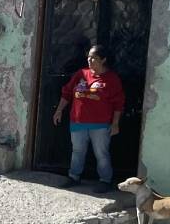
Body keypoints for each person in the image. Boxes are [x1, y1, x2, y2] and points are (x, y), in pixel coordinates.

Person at [52, 44, 125, 193]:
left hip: (100, 124)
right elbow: (67, 93)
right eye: (89, 57)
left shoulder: (111, 79)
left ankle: (105, 180)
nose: (90, 60)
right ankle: (74, 176)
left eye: (94, 58)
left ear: (103, 60)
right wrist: (59, 110)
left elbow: (119, 103)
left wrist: (115, 123)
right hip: (77, 121)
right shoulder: (81, 74)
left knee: (101, 153)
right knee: (77, 151)